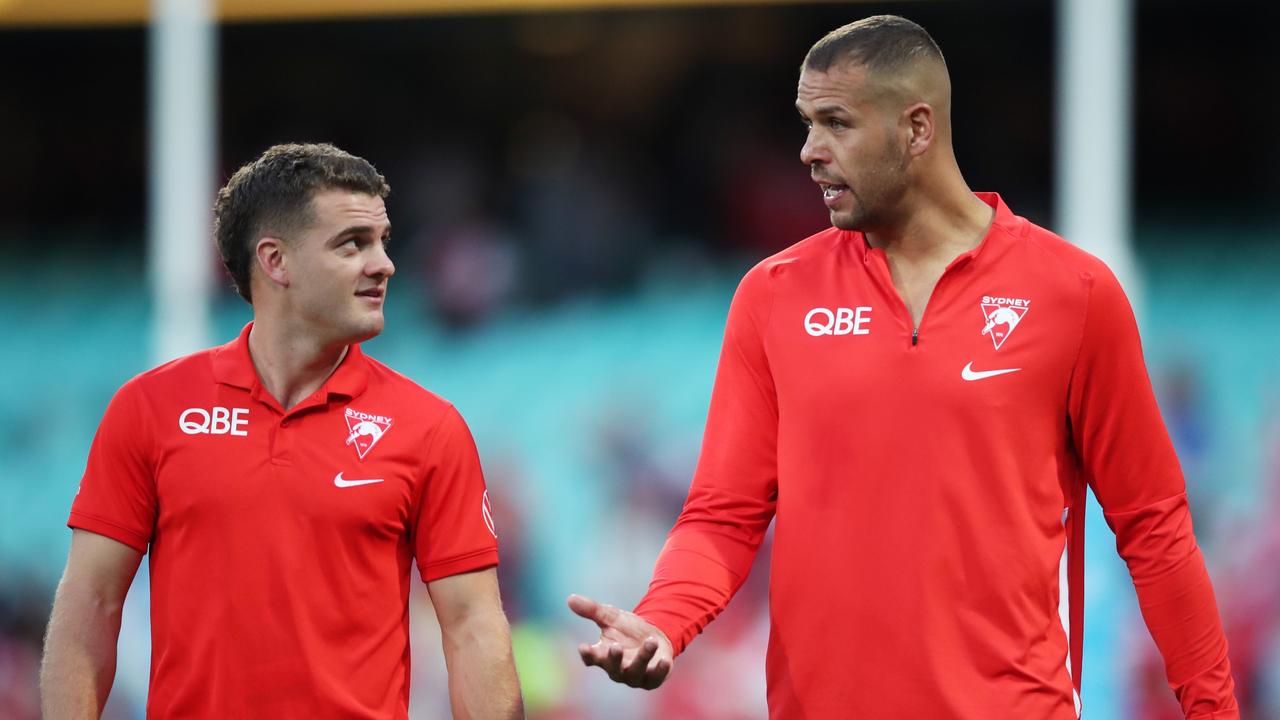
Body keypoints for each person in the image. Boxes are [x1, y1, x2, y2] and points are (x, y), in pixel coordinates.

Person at [569, 15, 1239, 719]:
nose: (808, 151)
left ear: (917, 129)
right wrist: (664, 621)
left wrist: (1214, 710)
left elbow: (1155, 532)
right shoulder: (772, 295)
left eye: (835, 122)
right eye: (805, 122)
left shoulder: (1073, 295)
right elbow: (721, 517)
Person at [40, 143, 524, 719]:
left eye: (383, 241)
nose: (384, 264)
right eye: (353, 244)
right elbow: (89, 605)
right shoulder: (150, 408)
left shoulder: (429, 427)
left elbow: (473, 627)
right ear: (275, 261)